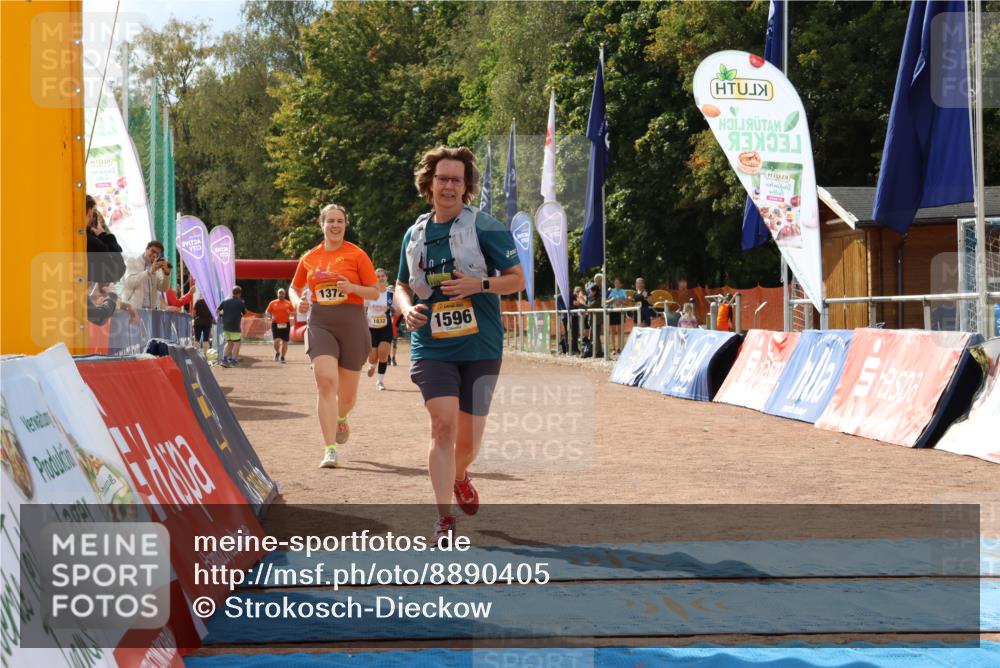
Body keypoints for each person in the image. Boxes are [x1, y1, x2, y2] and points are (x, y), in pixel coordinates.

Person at [394, 146, 524, 545]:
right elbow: (401, 285)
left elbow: (516, 278)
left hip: (481, 346)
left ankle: (460, 475)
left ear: (466, 186)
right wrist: (406, 310)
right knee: (442, 425)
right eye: (442, 179)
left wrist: (478, 284)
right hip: (432, 345)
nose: (448, 186)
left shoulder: (485, 227)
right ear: (429, 183)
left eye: (456, 180)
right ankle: (444, 519)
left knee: (468, 444)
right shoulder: (414, 234)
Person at [290, 204, 379, 469]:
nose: (335, 225)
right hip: (321, 322)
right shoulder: (310, 257)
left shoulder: (357, 254)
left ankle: (341, 417)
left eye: (340, 221)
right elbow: (294, 287)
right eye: (330, 221)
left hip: (352, 324)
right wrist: (297, 302)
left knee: (348, 397)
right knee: (326, 382)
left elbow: (374, 291)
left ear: (345, 224)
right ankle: (330, 449)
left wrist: (352, 288)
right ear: (322, 224)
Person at [365, 269, 395, 390]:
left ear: (386, 278)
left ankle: (380, 381)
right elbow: (362, 308)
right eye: (378, 276)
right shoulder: (370, 293)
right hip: (371, 328)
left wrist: (393, 310)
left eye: (383, 276)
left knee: (383, 354)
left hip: (386, 327)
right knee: (372, 357)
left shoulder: (390, 294)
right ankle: (373, 365)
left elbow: (398, 309)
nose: (381, 278)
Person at [122, 240, 170, 310]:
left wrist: (167, 274)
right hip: (133, 310)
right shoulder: (132, 261)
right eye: (153, 251)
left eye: (157, 254)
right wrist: (149, 272)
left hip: (150, 311)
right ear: (146, 249)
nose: (154, 255)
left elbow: (163, 288)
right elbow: (129, 282)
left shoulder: (155, 268)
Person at [217, 286, 247, 367]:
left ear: (232, 292)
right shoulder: (240, 302)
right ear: (239, 293)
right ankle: (233, 362)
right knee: (237, 344)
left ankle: (224, 360)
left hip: (226, 326)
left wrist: (222, 315)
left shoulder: (225, 300)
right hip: (235, 326)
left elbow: (217, 310)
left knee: (229, 343)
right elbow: (244, 313)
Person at [266, 287, 295, 363]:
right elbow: (267, 312)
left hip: (286, 324)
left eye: (282, 293)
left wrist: (290, 313)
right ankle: (277, 352)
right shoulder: (273, 303)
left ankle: (282, 357)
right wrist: (269, 316)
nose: (281, 294)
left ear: (284, 295)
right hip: (275, 324)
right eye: (280, 293)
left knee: (285, 342)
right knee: (276, 341)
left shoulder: (288, 303)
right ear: (277, 294)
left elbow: (294, 312)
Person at [607, 277, 628, 355]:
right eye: (615, 283)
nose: (617, 284)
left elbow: (626, 302)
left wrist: (620, 301)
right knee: (612, 331)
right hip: (613, 311)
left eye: (618, 283)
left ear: (621, 284)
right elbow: (608, 301)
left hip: (620, 312)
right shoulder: (612, 291)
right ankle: (613, 348)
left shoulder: (623, 291)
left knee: (620, 330)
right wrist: (612, 299)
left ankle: (620, 348)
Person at [192, 290, 214, 355]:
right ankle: (205, 354)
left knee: (197, 338)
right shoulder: (210, 303)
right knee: (206, 339)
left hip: (198, 322)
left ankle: (196, 354)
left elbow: (194, 312)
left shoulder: (198, 301)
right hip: (207, 322)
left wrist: (194, 318)